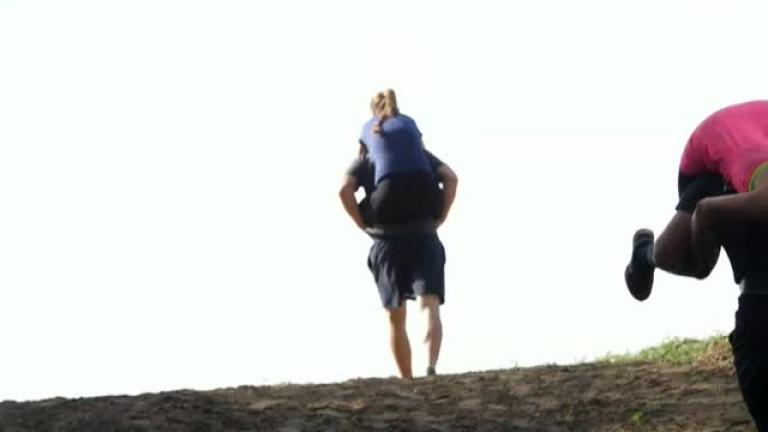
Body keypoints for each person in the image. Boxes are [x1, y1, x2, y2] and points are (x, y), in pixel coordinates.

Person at [625, 100, 768, 301]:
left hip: (746, 131)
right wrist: (704, 216)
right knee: (690, 260)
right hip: (714, 149)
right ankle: (644, 255)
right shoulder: (749, 159)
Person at [338, 149, 458, 379]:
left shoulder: (365, 159)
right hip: (424, 234)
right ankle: (431, 367)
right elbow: (451, 178)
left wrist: (362, 224)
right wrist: (441, 216)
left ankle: (407, 378)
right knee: (430, 306)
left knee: (396, 315)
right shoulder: (419, 155)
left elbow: (344, 189)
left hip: (386, 240)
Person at [356, 89, 443, 227]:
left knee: (359, 210)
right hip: (426, 193)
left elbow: (361, 164)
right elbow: (423, 152)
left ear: (373, 109)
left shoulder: (369, 126)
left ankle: (381, 232)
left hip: (387, 195)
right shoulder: (409, 121)